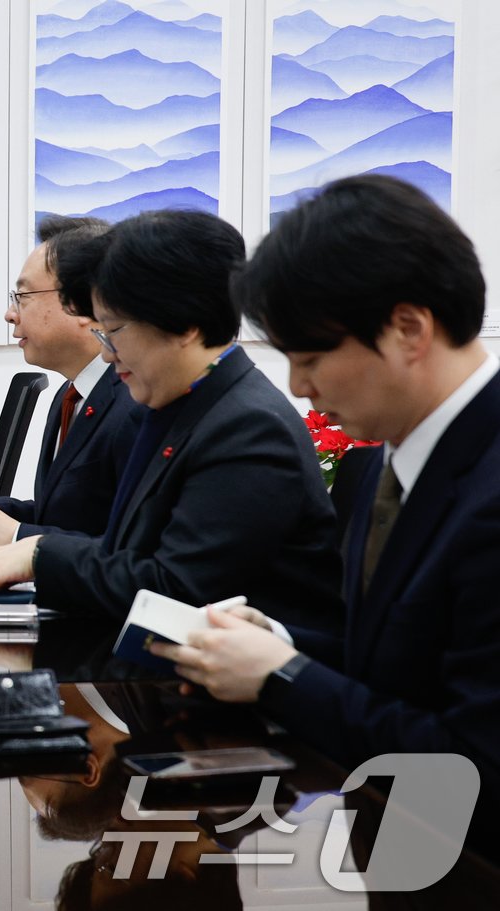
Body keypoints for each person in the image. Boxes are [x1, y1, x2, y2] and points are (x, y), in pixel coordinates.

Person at [154, 175, 500, 865]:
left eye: (310, 359)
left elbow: (472, 767)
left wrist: (282, 676)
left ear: (408, 329)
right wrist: (276, 641)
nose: (298, 387)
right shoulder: (383, 462)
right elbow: (401, 662)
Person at [0, 209, 342, 630]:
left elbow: (176, 589)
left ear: (184, 325)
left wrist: (36, 552)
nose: (107, 354)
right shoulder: (185, 406)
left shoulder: (247, 427)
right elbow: (124, 549)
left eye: (115, 330)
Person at [0, 215, 143, 549]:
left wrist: (17, 536)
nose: (10, 314)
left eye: (23, 296)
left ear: (83, 303)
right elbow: (60, 514)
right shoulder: (71, 394)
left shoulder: (137, 403)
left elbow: (132, 550)